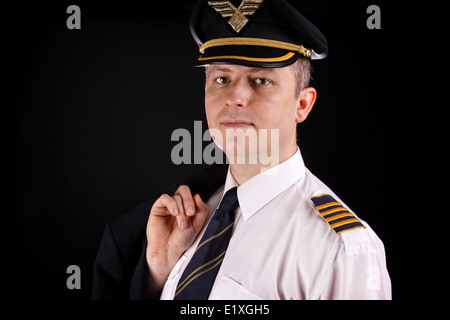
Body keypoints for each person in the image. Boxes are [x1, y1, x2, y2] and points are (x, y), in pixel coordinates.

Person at [92, 0, 391, 300]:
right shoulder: (191, 213)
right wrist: (157, 273)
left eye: (262, 80)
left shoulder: (343, 252)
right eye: (222, 78)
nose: (235, 97)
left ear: (302, 105)